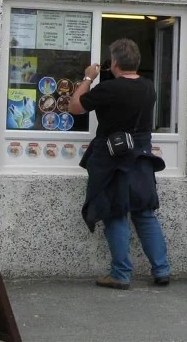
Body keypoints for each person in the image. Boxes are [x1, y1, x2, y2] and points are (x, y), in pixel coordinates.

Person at [69, 38, 170, 290]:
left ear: (114, 63)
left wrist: (88, 79)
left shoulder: (109, 89)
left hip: (112, 158)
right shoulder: (149, 88)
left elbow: (75, 107)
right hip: (142, 156)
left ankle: (121, 274)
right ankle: (162, 270)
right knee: (145, 214)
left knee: (115, 214)